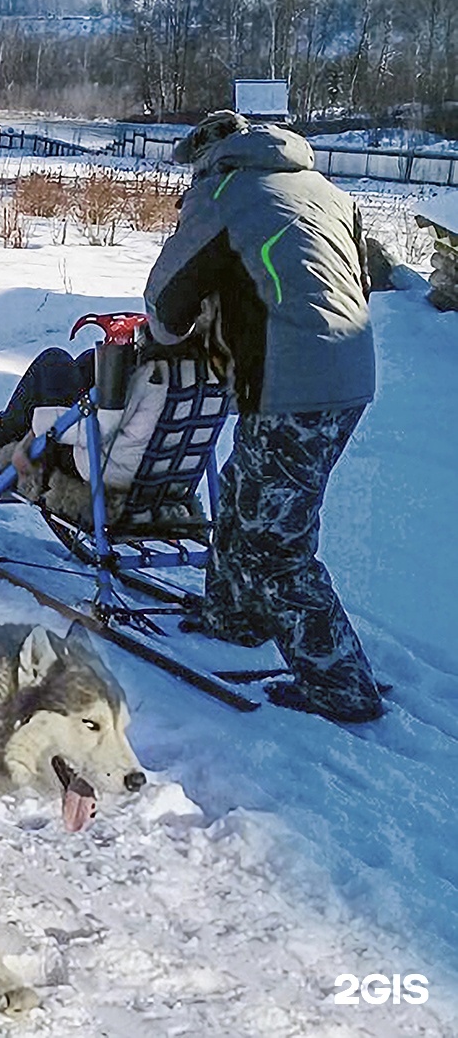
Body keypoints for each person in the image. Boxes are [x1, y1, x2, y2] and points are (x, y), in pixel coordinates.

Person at [144, 109, 383, 724]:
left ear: (207, 159)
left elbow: (165, 304)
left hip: (293, 382)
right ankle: (234, 619)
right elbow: (359, 280)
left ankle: (342, 689)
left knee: (276, 547)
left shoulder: (223, 193)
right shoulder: (324, 189)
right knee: (242, 492)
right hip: (349, 374)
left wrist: (179, 335)